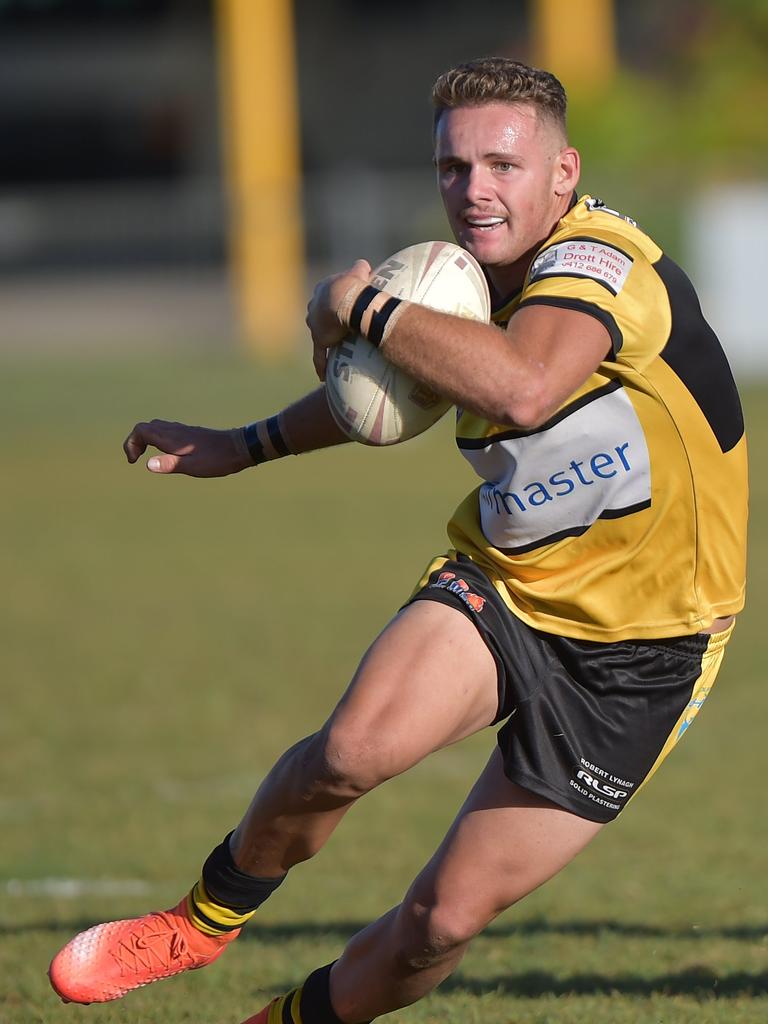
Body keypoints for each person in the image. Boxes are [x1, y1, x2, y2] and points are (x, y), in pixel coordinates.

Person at [48, 56, 747, 1024]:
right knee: (349, 751)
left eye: (503, 164)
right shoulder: (449, 282)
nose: (476, 190)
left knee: (441, 923)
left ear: (564, 172)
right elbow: (391, 397)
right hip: (505, 584)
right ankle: (202, 919)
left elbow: (521, 386)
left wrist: (361, 307)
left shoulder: (601, 266)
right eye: (454, 169)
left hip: (645, 652)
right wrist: (243, 444)